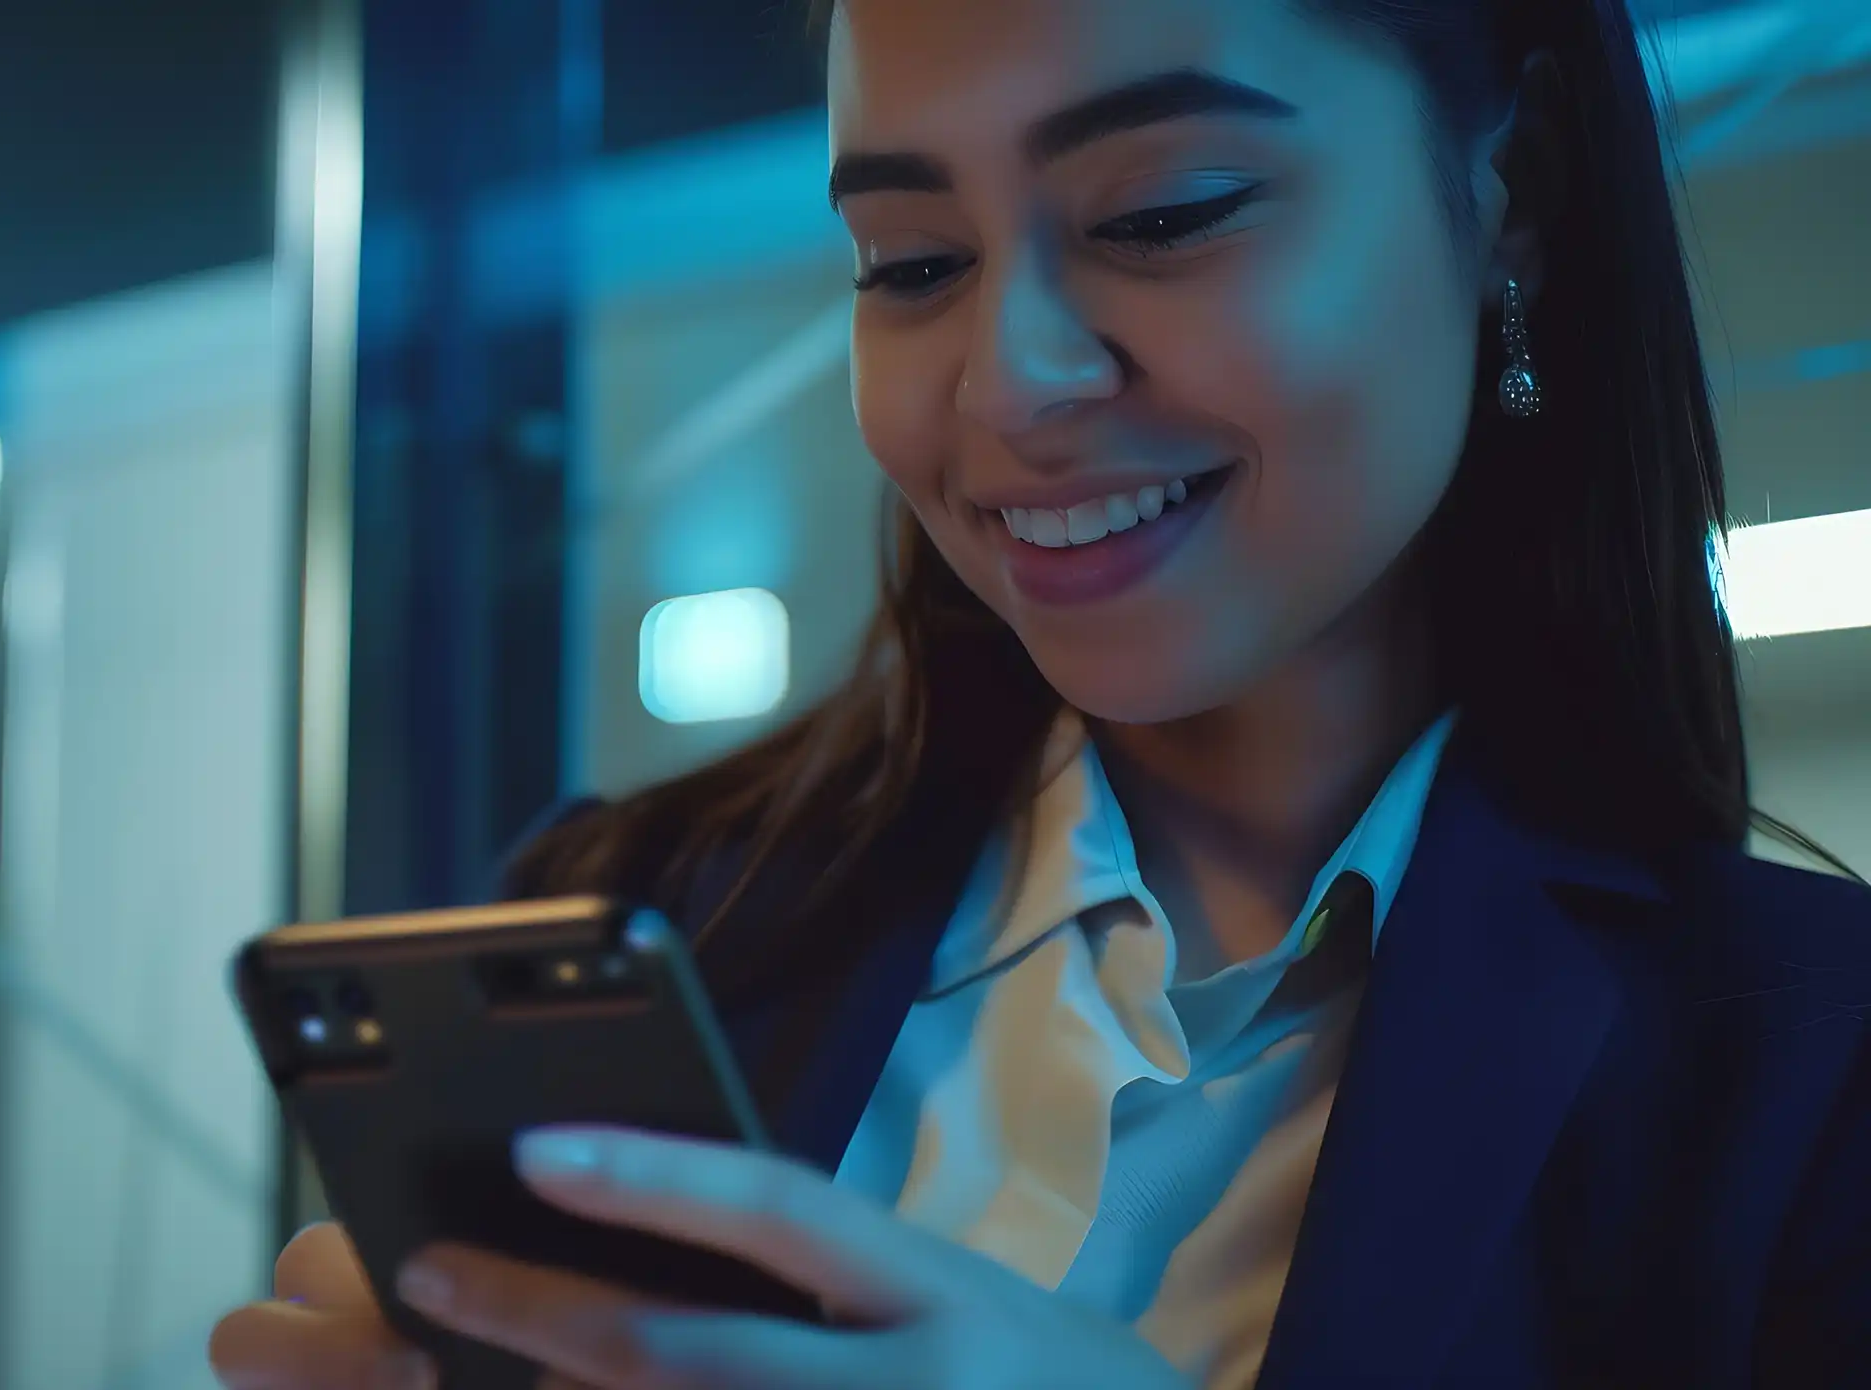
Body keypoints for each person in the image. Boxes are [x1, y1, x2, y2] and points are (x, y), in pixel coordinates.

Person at [211, 0, 1871, 1384]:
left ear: (1515, 189)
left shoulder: (1810, 1077)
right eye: (913, 260)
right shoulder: (646, 910)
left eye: (1164, 215)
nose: (1009, 383)